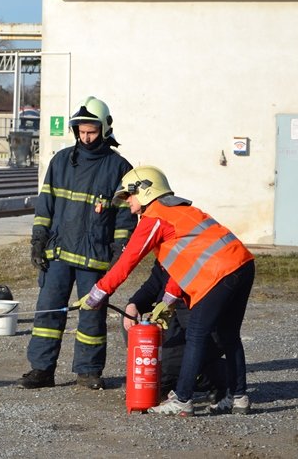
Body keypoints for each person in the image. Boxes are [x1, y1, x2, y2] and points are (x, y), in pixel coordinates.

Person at [78, 165, 255, 416]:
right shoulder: (183, 212)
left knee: (196, 335)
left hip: (219, 274)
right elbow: (183, 263)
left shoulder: (156, 218)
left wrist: (97, 293)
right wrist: (169, 299)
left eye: (129, 195)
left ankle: (183, 399)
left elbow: (127, 261)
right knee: (230, 336)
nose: (128, 202)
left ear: (145, 190)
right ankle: (239, 397)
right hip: (243, 265)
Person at [18, 96, 136, 391]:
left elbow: (125, 218)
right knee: (48, 311)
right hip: (58, 253)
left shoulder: (119, 168)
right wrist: (38, 240)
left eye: (91, 132)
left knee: (92, 317)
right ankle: (41, 370)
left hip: (94, 258)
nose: (85, 137)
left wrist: (118, 253)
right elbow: (45, 205)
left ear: (104, 129)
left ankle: (89, 372)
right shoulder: (61, 161)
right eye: (81, 131)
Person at [124, 260, 226, 400]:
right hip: (174, 315)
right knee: (130, 318)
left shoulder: (197, 258)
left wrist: (165, 311)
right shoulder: (166, 257)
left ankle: (221, 377)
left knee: (167, 364)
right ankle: (165, 380)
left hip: (197, 321)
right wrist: (134, 303)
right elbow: (154, 284)